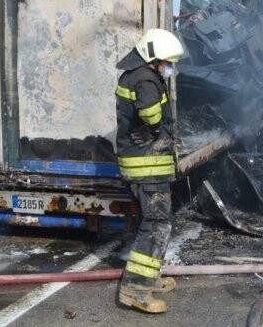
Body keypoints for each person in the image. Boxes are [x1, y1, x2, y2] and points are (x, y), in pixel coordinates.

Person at [114, 28, 184, 314]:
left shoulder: (133, 74)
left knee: (152, 222)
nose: (169, 68)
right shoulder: (145, 79)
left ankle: (148, 277)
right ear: (154, 58)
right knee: (156, 224)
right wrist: (155, 130)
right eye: (167, 63)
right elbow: (151, 115)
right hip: (148, 166)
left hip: (142, 165)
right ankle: (136, 288)